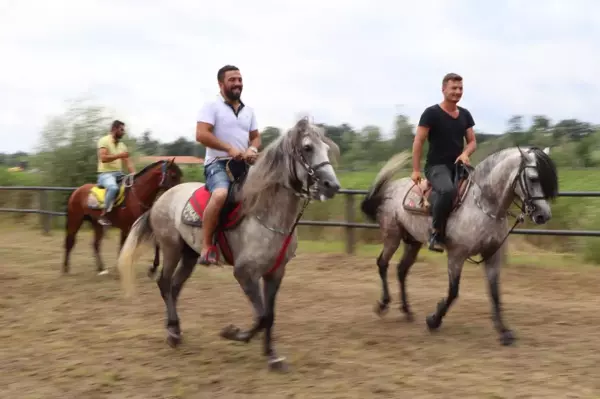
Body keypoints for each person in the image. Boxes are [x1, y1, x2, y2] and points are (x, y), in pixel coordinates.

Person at [195, 64, 261, 265]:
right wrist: (229, 149)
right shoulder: (211, 106)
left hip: (244, 166)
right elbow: (201, 134)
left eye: (239, 80)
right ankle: (207, 247)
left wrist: (252, 150)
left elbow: (256, 137)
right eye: (232, 80)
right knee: (221, 194)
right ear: (220, 83)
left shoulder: (249, 110)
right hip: (218, 164)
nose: (237, 84)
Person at [411, 73, 477, 252]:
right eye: (453, 88)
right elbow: (418, 142)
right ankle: (435, 234)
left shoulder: (465, 115)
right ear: (443, 89)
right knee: (448, 190)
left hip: (458, 166)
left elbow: (472, 141)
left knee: (483, 187)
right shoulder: (431, 113)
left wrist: (465, 153)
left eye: (460, 88)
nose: (457, 92)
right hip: (436, 167)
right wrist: (416, 170)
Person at [96, 120, 136, 226]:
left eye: (124, 130)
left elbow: (128, 163)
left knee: (133, 186)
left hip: (119, 174)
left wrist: (135, 175)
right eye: (121, 129)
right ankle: (103, 215)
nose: (123, 132)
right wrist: (119, 155)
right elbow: (103, 158)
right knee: (113, 188)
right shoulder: (103, 141)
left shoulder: (122, 145)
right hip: (105, 174)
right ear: (114, 129)